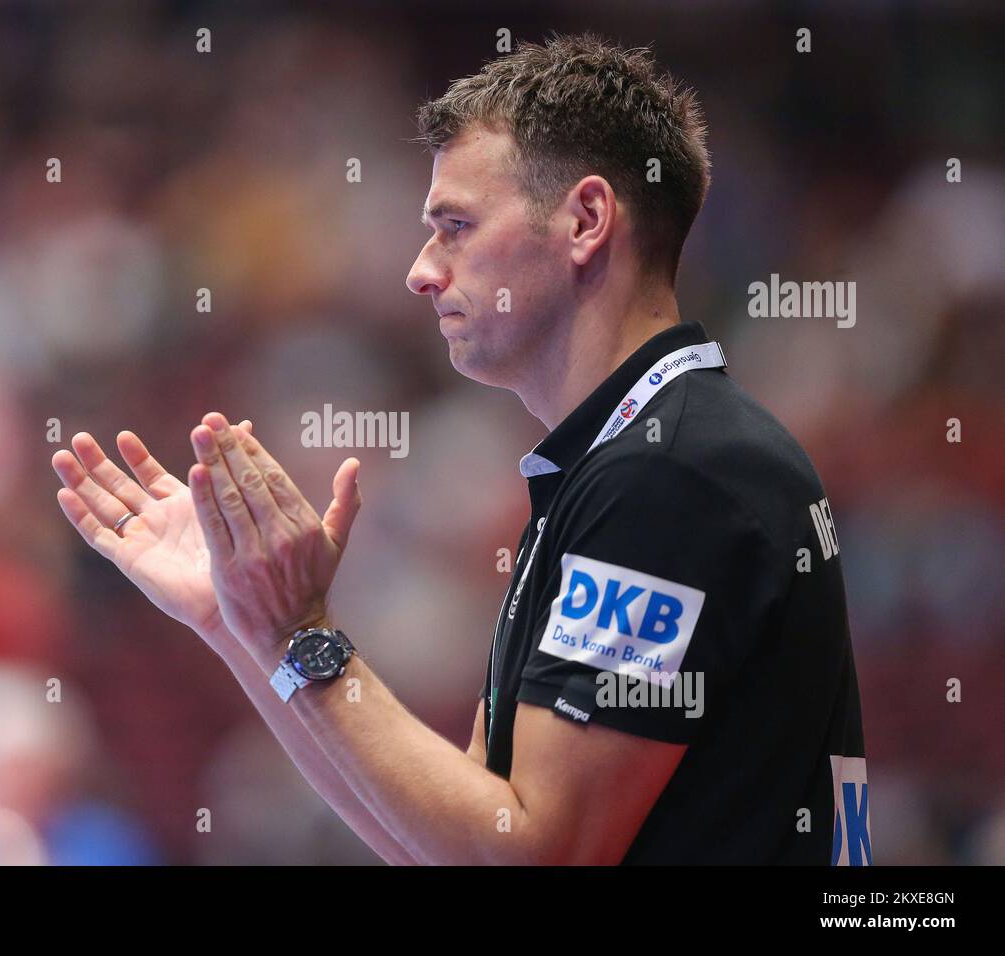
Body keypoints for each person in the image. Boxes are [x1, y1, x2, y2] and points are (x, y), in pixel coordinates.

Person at [51, 32, 869, 865]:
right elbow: (448, 848)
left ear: (586, 220)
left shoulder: (671, 474)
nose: (420, 270)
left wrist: (299, 633)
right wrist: (246, 627)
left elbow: (532, 856)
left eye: (456, 226)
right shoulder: (632, 460)